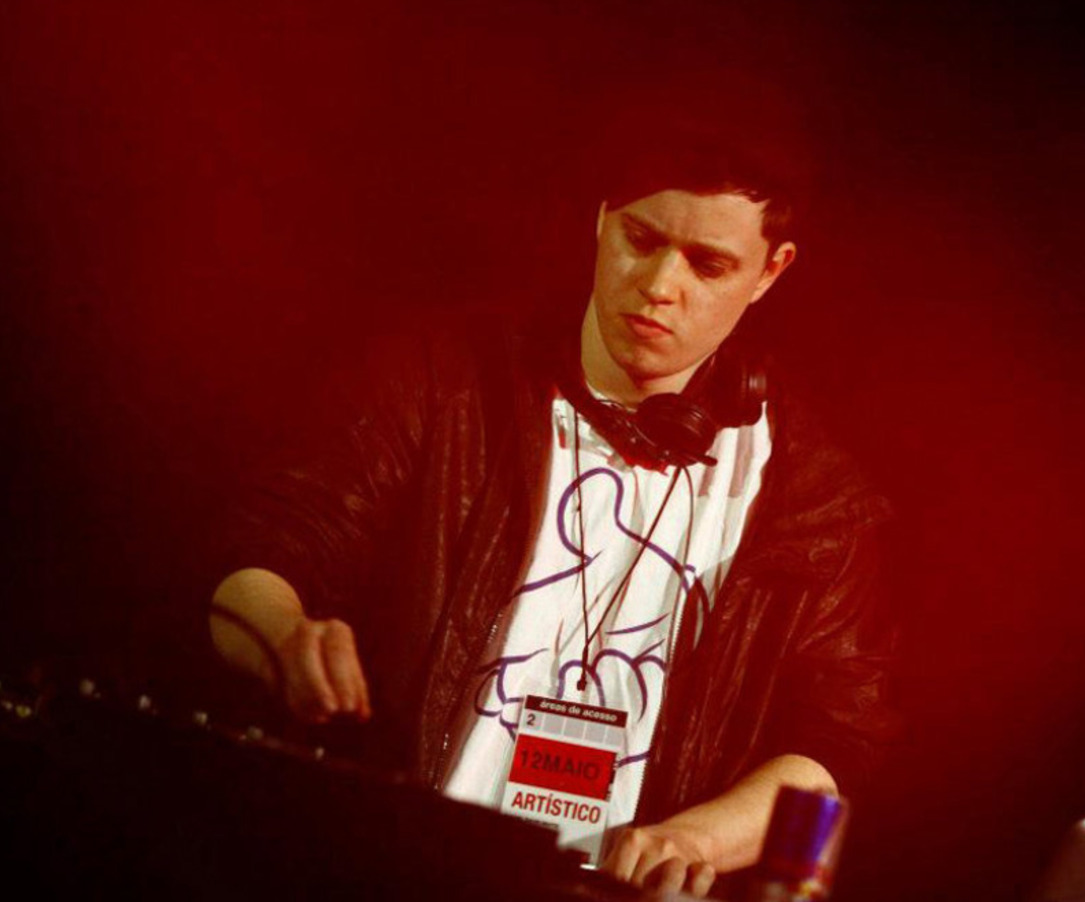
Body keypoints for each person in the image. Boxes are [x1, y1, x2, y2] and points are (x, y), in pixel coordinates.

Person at [209, 110, 896, 897]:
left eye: (707, 265)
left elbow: (838, 748)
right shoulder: (444, 383)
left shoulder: (816, 499)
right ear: (602, 219)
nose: (659, 286)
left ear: (771, 272)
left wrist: (694, 839)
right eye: (641, 239)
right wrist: (285, 634)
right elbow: (259, 553)